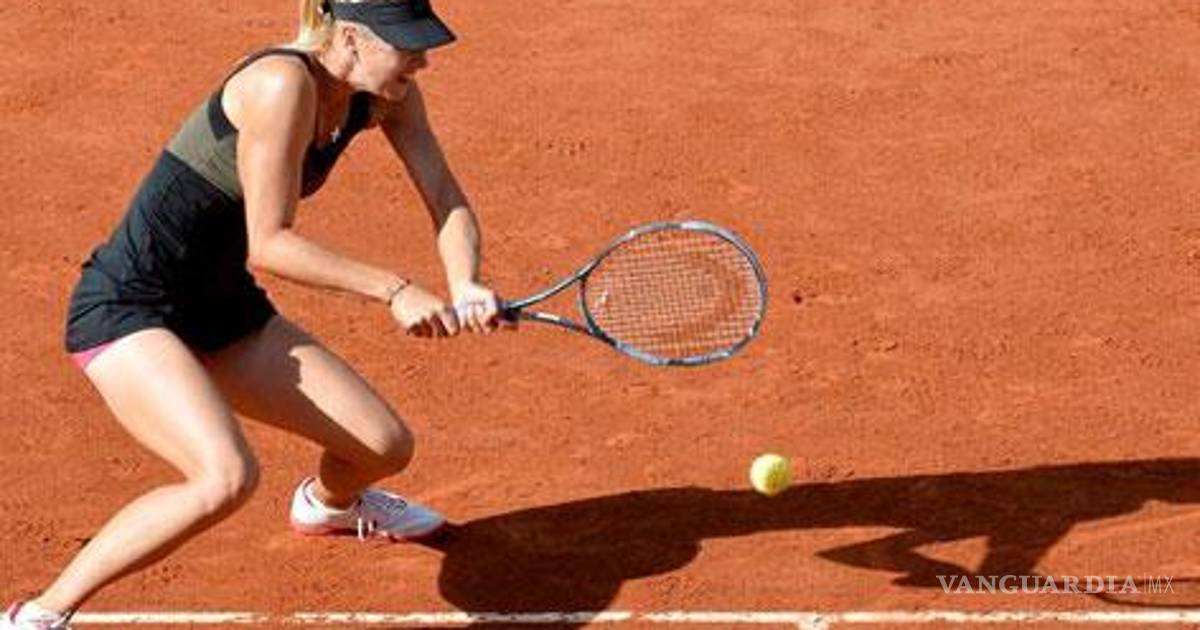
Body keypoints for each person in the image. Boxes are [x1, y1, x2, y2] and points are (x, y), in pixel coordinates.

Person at [3, 0, 503, 627]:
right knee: (225, 477)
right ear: (351, 37)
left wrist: (466, 282)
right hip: (131, 307)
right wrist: (395, 289)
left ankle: (329, 507)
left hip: (219, 307)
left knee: (383, 445)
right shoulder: (279, 83)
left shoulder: (385, 94)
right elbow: (269, 243)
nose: (422, 59)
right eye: (407, 43)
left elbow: (445, 196)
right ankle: (37, 615)